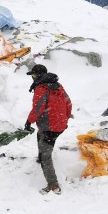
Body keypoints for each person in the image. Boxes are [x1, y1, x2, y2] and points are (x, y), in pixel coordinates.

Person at [24, 64, 72, 195]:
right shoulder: (58, 85)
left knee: (47, 155)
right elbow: (68, 102)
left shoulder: (41, 88)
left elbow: (37, 109)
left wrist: (29, 121)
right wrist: (65, 118)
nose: (32, 78)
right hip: (59, 124)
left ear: (39, 75)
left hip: (50, 126)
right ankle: (40, 156)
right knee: (42, 136)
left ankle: (53, 186)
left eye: (33, 75)